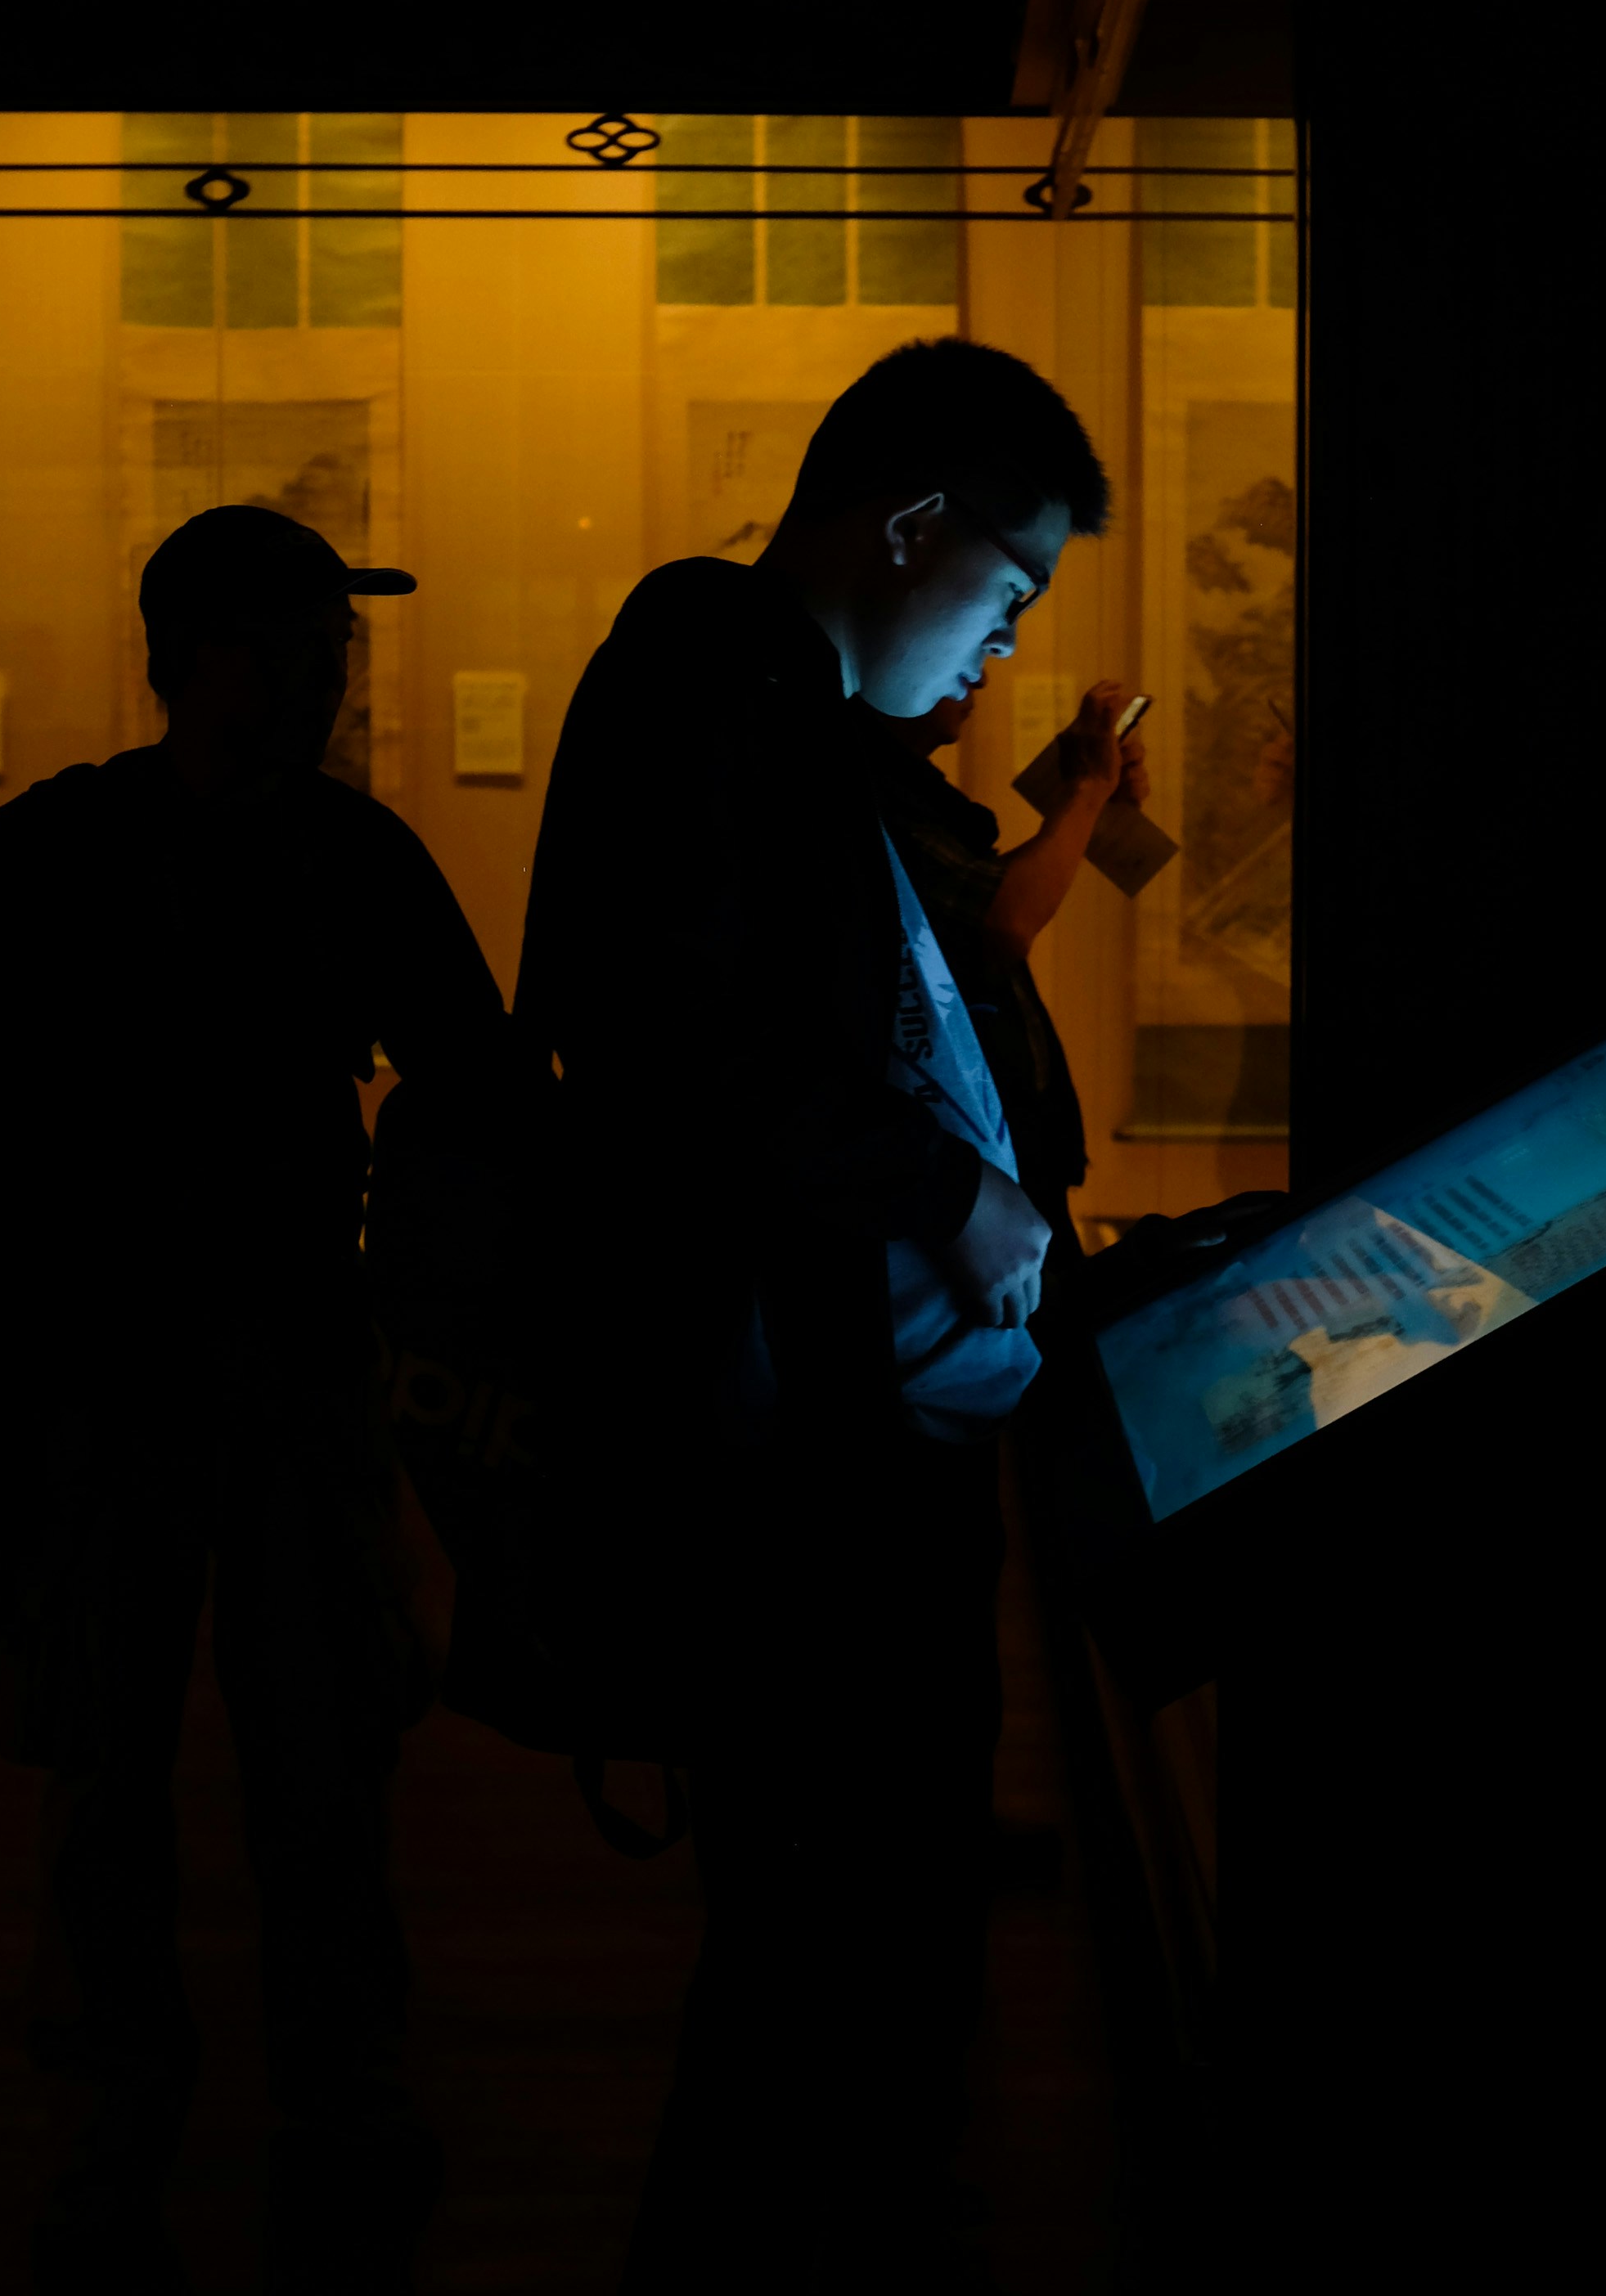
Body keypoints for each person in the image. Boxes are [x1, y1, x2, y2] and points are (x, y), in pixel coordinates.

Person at [0, 505, 506, 2296]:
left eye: (332, 647)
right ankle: (301, 2108)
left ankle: (137, 2129)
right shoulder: (329, 855)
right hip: (171, 1377)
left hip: (169, 1374)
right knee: (220, 1763)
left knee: (179, 1766)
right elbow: (472, 1082)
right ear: (214, 653)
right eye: (312, 644)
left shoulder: (64, 847)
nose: (335, 676)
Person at [513, 338, 1112, 2292]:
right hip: (797, 1470)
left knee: (848, 1926)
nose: (1006, 641)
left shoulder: (791, 717)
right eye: (1008, 587)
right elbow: (681, 1034)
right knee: (813, 1943)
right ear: (916, 522)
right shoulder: (714, 671)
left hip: (850, 1438)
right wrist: (951, 1194)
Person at [860, 676, 1150, 1287]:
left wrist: (1088, 797)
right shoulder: (863, 791)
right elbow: (1003, 918)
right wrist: (1086, 791)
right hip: (959, 1164)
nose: (981, 673)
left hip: (991, 1153)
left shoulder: (908, 789)